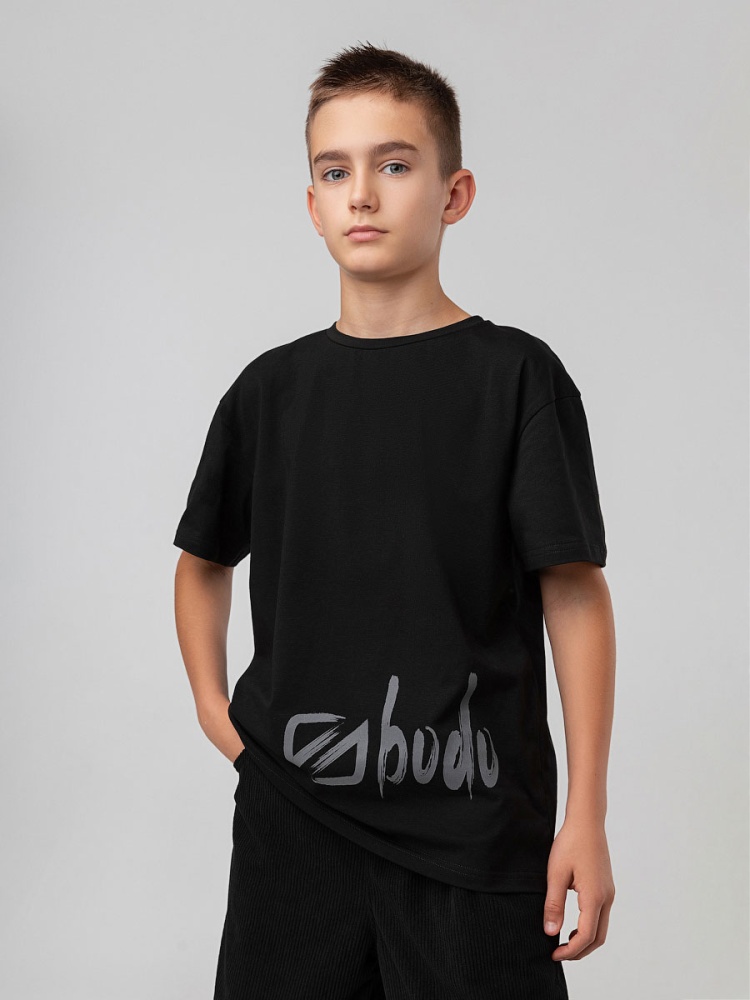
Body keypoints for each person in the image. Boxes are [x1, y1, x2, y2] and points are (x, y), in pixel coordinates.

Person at [173, 41, 616, 1000]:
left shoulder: (516, 378)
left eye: (395, 164)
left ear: (455, 194)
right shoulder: (269, 392)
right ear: (312, 204)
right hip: (296, 827)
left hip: (476, 828)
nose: (362, 195)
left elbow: (575, 593)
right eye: (335, 172)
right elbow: (201, 559)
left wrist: (586, 814)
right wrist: (218, 713)